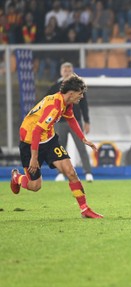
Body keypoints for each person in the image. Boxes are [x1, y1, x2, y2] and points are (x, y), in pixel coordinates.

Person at [10, 75, 103, 218]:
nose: (82, 97)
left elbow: (71, 119)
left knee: (70, 172)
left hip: (49, 140)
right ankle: (17, 178)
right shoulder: (54, 106)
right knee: (35, 186)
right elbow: (36, 132)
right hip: (30, 143)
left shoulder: (67, 103)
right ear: (71, 93)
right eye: (80, 93)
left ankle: (85, 209)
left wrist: (83, 139)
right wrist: (34, 158)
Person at [46, 62, 94, 182]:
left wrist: (87, 121)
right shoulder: (55, 87)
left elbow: (84, 105)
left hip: (75, 121)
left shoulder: (78, 87)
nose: (67, 72)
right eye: (65, 70)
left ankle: (88, 172)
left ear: (72, 72)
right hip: (60, 122)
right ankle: (60, 173)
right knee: (60, 149)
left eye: (69, 70)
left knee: (81, 146)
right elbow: (47, 104)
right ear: (61, 72)